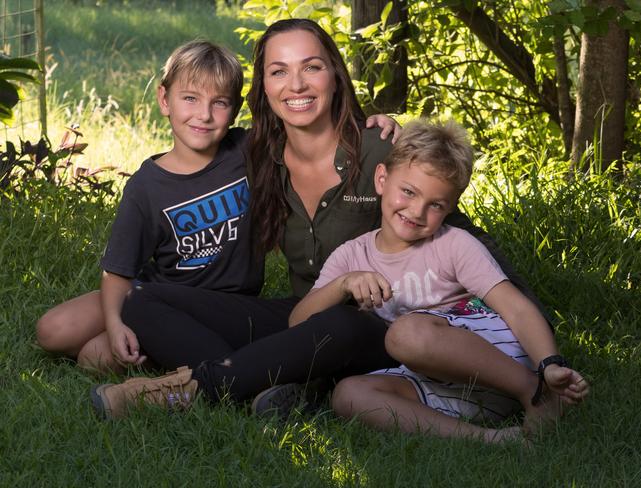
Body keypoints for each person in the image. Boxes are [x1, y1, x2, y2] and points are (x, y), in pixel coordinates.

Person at [89, 19, 548, 420]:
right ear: (263, 89)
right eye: (279, 71)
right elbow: (191, 148)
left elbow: (452, 226)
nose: (297, 84)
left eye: (311, 66)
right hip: (307, 312)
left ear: (334, 75)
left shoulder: (379, 151)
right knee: (141, 300)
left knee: (347, 324)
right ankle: (266, 379)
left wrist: (539, 352)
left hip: (383, 323)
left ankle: (192, 387)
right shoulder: (257, 155)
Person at [35, 39, 396, 374]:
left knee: (93, 357)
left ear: (235, 109)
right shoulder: (146, 186)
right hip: (161, 293)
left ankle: (213, 366)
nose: (204, 115)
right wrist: (115, 323)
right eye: (189, 99)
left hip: (227, 303)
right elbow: (118, 271)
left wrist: (372, 123)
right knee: (53, 330)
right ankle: (179, 348)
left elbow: (309, 126)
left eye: (219, 103)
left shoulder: (248, 150)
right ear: (164, 100)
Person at [289, 119, 589, 443]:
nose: (417, 211)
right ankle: (491, 440)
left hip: (495, 359)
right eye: (408, 191)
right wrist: (342, 284)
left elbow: (517, 309)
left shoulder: (453, 244)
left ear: (451, 208)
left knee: (405, 334)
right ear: (381, 179)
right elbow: (298, 324)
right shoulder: (352, 256)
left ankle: (537, 393)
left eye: (436, 205)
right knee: (349, 394)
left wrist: (549, 365)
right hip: (445, 382)